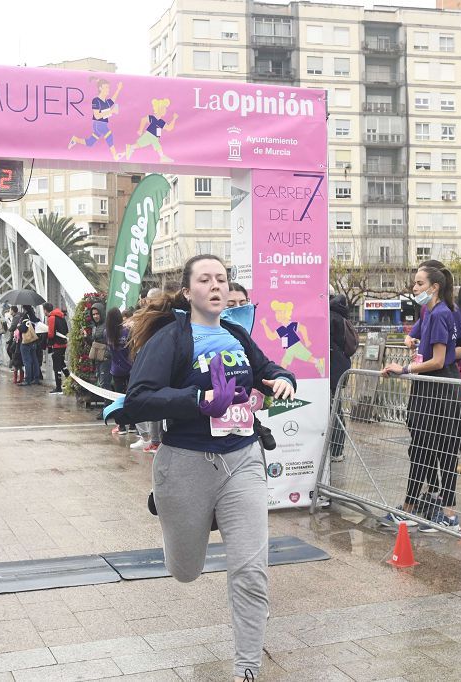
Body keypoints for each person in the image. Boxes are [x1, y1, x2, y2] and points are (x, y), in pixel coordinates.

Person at [109, 254, 295, 682]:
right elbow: (138, 397)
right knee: (186, 570)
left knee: (250, 570)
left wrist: (283, 378)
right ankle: (176, 505)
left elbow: (267, 370)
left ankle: (247, 669)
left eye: (222, 279)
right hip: (186, 462)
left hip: (243, 460)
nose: (216, 286)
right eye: (206, 279)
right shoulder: (171, 338)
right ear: (189, 291)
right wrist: (198, 401)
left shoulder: (234, 334)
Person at [382, 265, 461, 532]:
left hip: (441, 391)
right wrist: (412, 342)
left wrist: (404, 369)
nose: (414, 288)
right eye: (414, 283)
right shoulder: (429, 312)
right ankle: (416, 507)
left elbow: (440, 360)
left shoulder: (443, 313)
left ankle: (447, 515)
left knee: (443, 452)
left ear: (434, 287)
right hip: (428, 389)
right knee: (422, 449)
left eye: (419, 283)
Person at [105, 306, 134, 434]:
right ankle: (133, 425)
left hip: (116, 369)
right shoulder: (127, 331)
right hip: (130, 368)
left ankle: (121, 426)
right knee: (132, 396)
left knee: (118, 398)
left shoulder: (107, 333)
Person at [329, 294, 353, 398]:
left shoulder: (329, 316)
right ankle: (338, 414)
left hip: (333, 361)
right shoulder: (342, 316)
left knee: (332, 398)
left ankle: (336, 414)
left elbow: (328, 339)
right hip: (342, 360)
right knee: (336, 396)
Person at [43, 302, 70, 394]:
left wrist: (48, 343)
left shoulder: (51, 318)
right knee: (62, 364)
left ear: (45, 310)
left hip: (56, 345)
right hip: (63, 344)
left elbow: (51, 334)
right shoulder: (61, 316)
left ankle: (58, 388)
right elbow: (66, 330)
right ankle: (70, 380)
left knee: (56, 366)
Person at [18, 305, 42, 386]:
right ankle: (36, 378)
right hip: (34, 341)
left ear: (24, 309)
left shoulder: (25, 316)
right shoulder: (34, 317)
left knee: (27, 361)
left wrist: (19, 326)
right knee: (35, 360)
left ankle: (27, 379)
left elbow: (23, 329)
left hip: (26, 342)